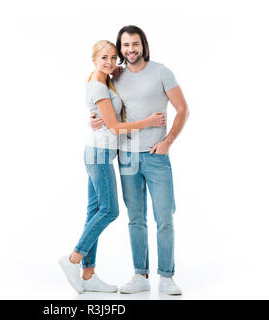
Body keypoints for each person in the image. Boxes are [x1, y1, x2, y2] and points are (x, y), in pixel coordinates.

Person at [59, 40, 166, 294]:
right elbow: (115, 127)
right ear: (94, 59)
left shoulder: (104, 79)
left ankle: (88, 274)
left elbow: (106, 118)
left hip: (99, 152)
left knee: (94, 209)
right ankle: (74, 258)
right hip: (99, 153)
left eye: (113, 58)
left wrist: (115, 70)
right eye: (104, 58)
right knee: (109, 210)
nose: (110, 62)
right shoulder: (98, 86)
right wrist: (149, 121)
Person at [90, 25, 189, 295]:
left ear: (143, 45)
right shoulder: (116, 75)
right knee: (135, 218)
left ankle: (167, 276)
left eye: (135, 44)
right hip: (126, 158)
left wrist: (167, 141)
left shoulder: (161, 71)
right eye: (125, 45)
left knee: (165, 217)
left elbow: (183, 109)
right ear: (120, 49)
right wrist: (93, 119)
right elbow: (100, 100)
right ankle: (140, 275)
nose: (130, 49)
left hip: (156, 157)